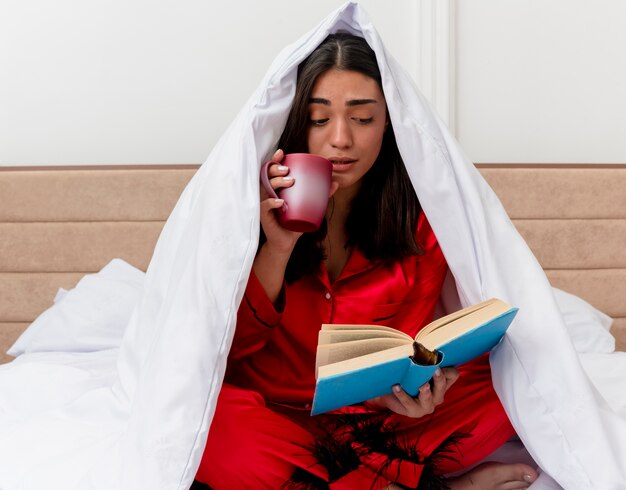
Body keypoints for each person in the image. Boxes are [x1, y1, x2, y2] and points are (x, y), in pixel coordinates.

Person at [194, 33, 537, 489]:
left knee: (517, 383)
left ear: (389, 122)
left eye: (362, 117)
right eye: (319, 118)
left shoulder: (425, 222)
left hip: (376, 420)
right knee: (202, 424)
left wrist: (413, 391)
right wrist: (276, 247)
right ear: (297, 123)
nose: (340, 139)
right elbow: (220, 349)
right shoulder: (251, 206)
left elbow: (410, 347)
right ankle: (436, 485)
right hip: (274, 413)